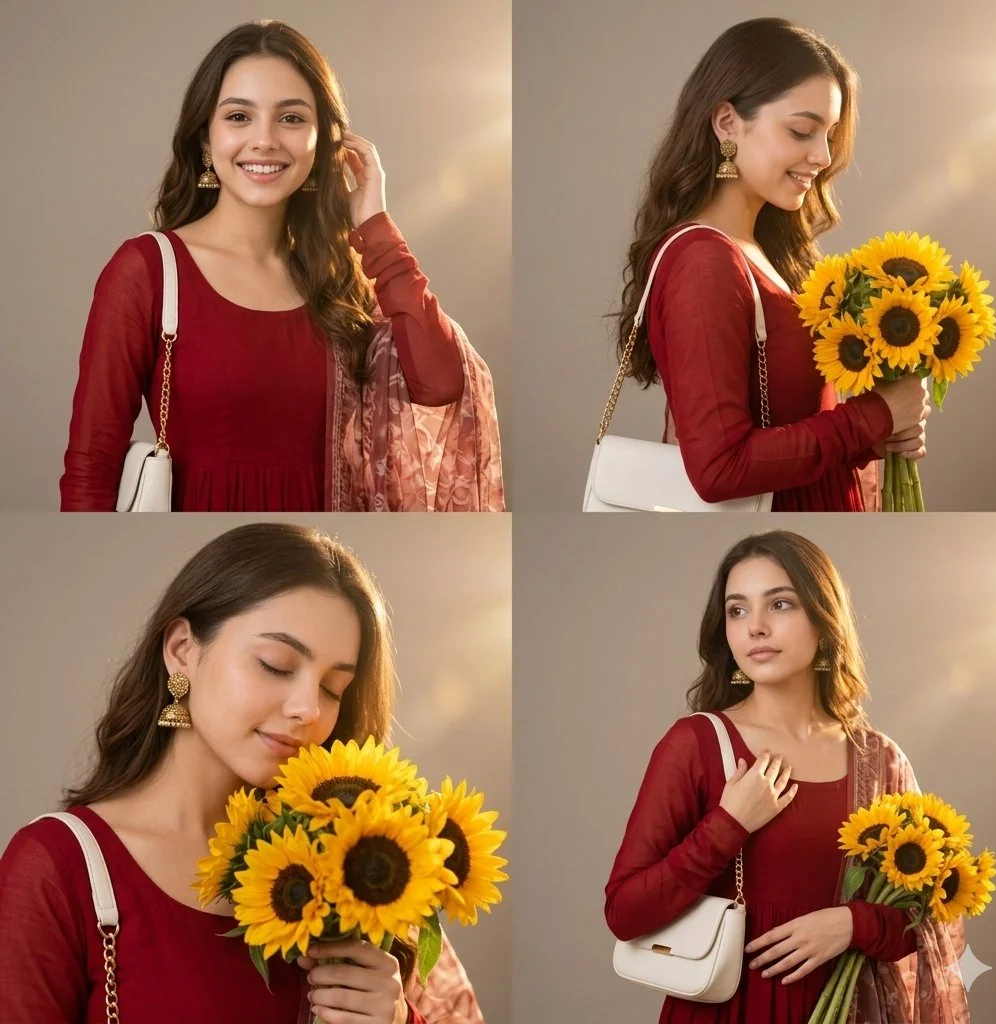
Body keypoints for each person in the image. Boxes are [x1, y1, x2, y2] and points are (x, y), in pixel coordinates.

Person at [0, 523, 484, 1023]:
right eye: (276, 664)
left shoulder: (353, 870)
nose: (308, 709)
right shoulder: (57, 870)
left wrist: (396, 1018)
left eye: (334, 688)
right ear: (182, 649)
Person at [59, 20, 503, 512]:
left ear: (323, 142)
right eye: (238, 117)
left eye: (291, 118)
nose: (265, 140)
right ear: (205, 138)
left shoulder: (340, 278)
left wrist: (375, 223)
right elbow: (90, 472)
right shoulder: (147, 272)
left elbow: (441, 386)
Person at [605, 530, 969, 1023]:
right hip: (730, 1011)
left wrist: (852, 924)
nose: (754, 627)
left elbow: (933, 916)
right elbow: (625, 914)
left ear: (824, 618)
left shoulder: (878, 758)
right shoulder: (695, 745)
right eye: (737, 610)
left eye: (779, 604)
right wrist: (729, 824)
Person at [612, 18, 929, 511]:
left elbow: (790, 421)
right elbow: (720, 468)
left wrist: (877, 435)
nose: (823, 156)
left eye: (830, 135)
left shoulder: (762, 252)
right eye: (802, 131)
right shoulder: (705, 261)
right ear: (727, 123)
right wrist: (873, 416)